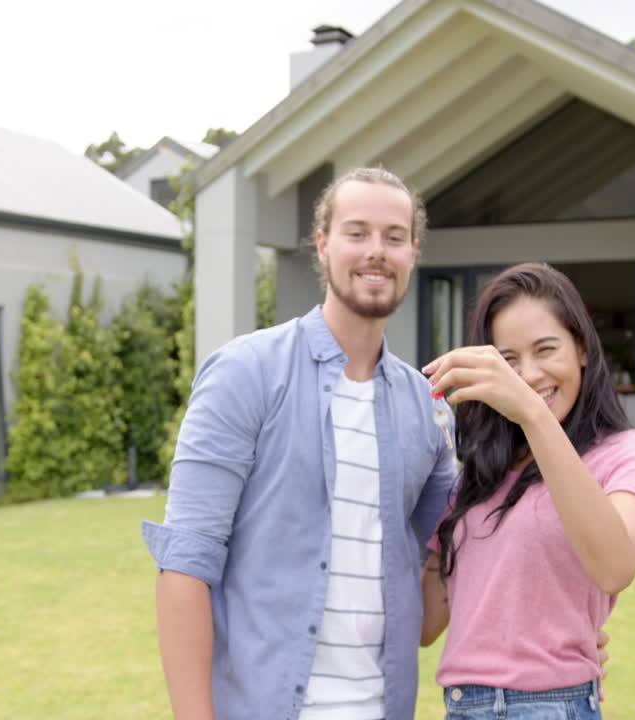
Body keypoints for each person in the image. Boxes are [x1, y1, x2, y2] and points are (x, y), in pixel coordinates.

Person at [142, 166, 458, 720]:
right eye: (356, 233)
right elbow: (185, 564)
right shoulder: (245, 373)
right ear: (322, 244)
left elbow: (455, 561)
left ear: (413, 251)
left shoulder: (429, 408)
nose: (375, 252)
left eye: (393, 237)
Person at [420, 263, 635, 720]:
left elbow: (614, 567)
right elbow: (426, 623)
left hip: (551, 706)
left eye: (545, 350)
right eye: (508, 360)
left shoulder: (627, 454)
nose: (528, 376)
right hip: (463, 706)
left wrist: (533, 415)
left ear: (582, 349)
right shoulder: (477, 473)